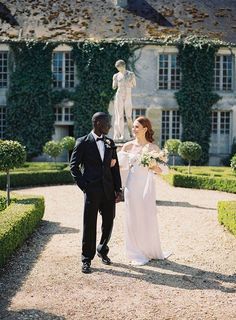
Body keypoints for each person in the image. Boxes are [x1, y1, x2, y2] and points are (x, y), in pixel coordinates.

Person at [70, 112, 122, 274]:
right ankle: (86, 259)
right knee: (89, 224)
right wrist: (85, 186)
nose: (110, 126)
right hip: (92, 191)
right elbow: (74, 166)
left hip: (108, 190)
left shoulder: (110, 142)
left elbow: (115, 168)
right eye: (108, 123)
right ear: (98, 123)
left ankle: (102, 248)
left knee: (109, 222)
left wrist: (118, 189)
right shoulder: (83, 142)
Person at [118, 116, 170, 266]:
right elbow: (119, 168)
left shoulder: (153, 148)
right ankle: (135, 251)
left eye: (136, 127)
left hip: (147, 187)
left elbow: (164, 171)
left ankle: (148, 249)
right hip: (131, 186)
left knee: (146, 217)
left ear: (145, 129)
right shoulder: (127, 146)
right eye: (133, 127)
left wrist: (153, 166)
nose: (133, 129)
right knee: (132, 217)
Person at [112, 59, 136, 141]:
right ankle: (121, 135)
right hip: (119, 95)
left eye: (120, 67)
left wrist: (129, 83)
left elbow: (134, 85)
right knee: (120, 116)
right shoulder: (116, 75)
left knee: (129, 116)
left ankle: (131, 133)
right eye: (118, 68)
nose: (119, 69)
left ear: (124, 66)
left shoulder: (131, 74)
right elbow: (114, 87)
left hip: (128, 96)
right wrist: (115, 81)